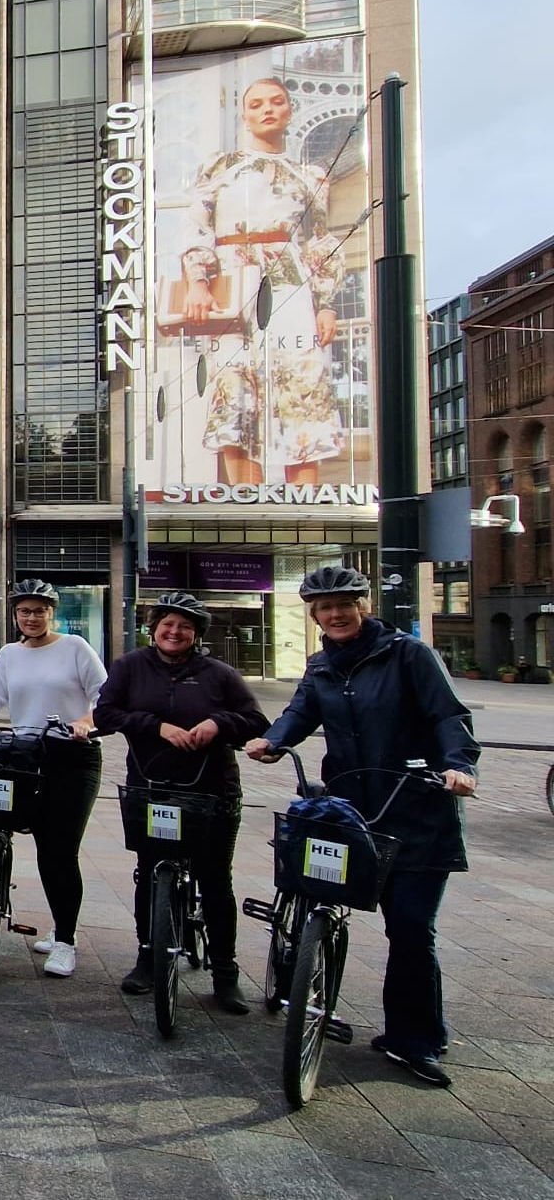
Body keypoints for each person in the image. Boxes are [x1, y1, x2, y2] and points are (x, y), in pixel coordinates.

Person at [245, 567, 478, 1088]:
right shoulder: (321, 665)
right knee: (312, 891)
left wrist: (459, 765)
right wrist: (274, 740)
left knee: (412, 929)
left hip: (415, 807)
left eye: (345, 603)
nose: (336, 613)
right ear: (315, 616)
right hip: (349, 808)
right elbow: (300, 712)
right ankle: (298, 970)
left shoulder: (409, 655)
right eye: (325, 607)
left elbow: (448, 715)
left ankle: (414, 1040)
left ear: (363, 604)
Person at [94, 592, 269, 1013]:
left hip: (211, 790)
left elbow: (256, 723)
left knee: (214, 879)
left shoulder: (219, 674)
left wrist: (217, 723)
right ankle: (147, 957)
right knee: (150, 872)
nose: (174, 632)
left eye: (185, 627)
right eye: (167, 624)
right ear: (153, 629)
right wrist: (157, 727)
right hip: (151, 786)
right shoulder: (129, 667)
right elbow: (106, 714)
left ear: (197, 634)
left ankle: (225, 973)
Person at [176, 76, 347, 485]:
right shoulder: (221, 166)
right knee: (235, 382)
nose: (267, 110)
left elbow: (319, 240)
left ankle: (305, 498)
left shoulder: (312, 176)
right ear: (244, 114)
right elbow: (197, 227)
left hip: (290, 280)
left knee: (302, 380)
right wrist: (198, 280)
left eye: (276, 102)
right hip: (232, 278)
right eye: (256, 104)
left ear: (289, 111)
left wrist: (325, 303)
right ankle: (243, 494)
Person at [0, 579, 106, 977]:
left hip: (72, 756)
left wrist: (85, 721)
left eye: (39, 610)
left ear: (52, 612)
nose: (31, 618)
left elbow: (106, 697)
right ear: (15, 615)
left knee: (58, 851)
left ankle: (65, 938)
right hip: (23, 754)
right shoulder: (10, 654)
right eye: (24, 611)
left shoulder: (75, 648)